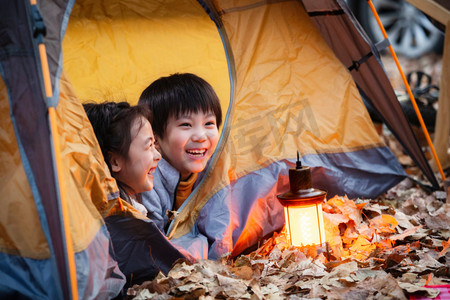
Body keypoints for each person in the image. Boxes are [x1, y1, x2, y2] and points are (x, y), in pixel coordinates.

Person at [83, 101, 187, 291]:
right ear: (114, 161)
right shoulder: (117, 222)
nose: (158, 156)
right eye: (149, 147)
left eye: (155, 146)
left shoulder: (132, 205)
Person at [138, 73, 222, 258]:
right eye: (186, 124)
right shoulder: (148, 181)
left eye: (209, 123)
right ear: (156, 139)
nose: (200, 136)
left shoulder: (215, 167)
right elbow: (153, 248)